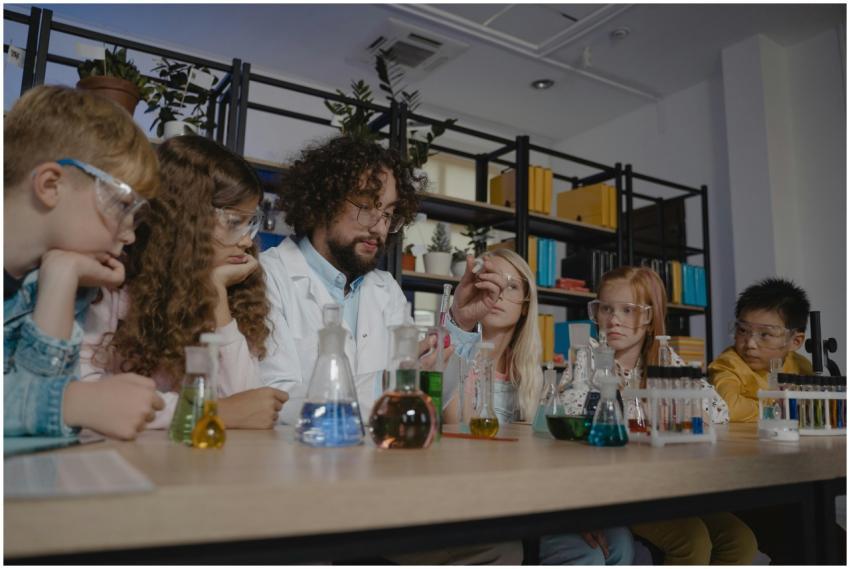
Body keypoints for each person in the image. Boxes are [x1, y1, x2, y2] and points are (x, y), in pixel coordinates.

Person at [260, 135, 507, 423]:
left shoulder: (385, 289)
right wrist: (390, 385)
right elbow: (274, 401)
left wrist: (460, 323)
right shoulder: (269, 276)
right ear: (324, 200)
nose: (380, 226)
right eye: (366, 206)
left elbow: (426, 392)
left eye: (389, 213)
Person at [81, 136, 288, 429]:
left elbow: (248, 406)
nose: (246, 240)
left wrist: (216, 295)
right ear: (185, 223)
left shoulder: (233, 292)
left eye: (250, 223)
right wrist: (211, 412)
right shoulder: (112, 285)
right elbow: (86, 398)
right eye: (233, 222)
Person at [445, 249, 635, 566]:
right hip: (481, 498)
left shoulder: (533, 376)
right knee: (587, 552)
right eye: (487, 283)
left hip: (530, 496)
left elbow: (548, 455)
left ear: (525, 306)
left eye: (510, 287)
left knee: (620, 541)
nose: (496, 295)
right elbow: (461, 435)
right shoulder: (457, 358)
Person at [4, 85, 164, 440]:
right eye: (123, 206)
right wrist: (69, 404)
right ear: (50, 185)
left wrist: (62, 275)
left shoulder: (59, 275)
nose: (130, 235)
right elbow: (48, 404)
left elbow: (31, 427)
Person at [589, 266, 757, 565]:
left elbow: (718, 409)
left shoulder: (663, 358)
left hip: (666, 485)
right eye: (606, 309)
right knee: (691, 540)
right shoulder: (588, 360)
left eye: (628, 310)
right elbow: (573, 417)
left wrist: (684, 406)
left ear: (650, 316)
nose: (614, 320)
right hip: (617, 489)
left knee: (740, 539)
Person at [709, 277, 813, 422]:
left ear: (795, 341)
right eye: (743, 330)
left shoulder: (800, 366)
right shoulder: (728, 365)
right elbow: (728, 408)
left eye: (765, 334)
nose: (750, 344)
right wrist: (779, 409)